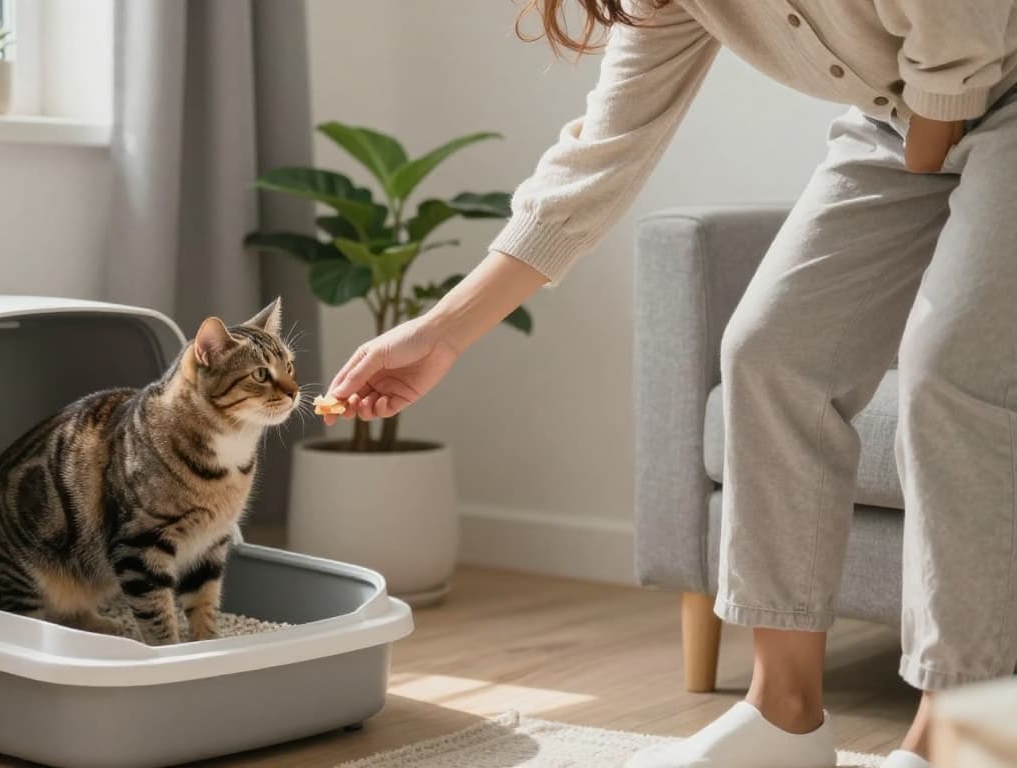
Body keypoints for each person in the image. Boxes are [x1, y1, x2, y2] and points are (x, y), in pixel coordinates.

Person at [321, 2, 1017, 767]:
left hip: (987, 90)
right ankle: (783, 715)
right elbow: (603, 151)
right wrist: (443, 330)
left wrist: (935, 135)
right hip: (897, 118)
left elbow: (963, 36)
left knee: (949, 374)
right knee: (769, 354)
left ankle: (966, 737)